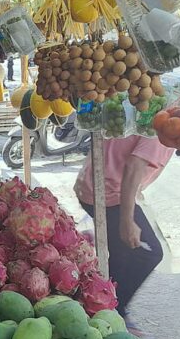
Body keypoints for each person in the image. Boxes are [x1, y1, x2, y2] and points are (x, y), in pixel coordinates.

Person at [74, 135, 174, 314]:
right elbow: (134, 165)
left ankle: (99, 302)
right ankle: (106, 309)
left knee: (121, 255)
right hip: (105, 191)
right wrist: (127, 221)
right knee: (147, 253)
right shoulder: (164, 128)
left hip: (93, 184)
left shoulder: (160, 117)